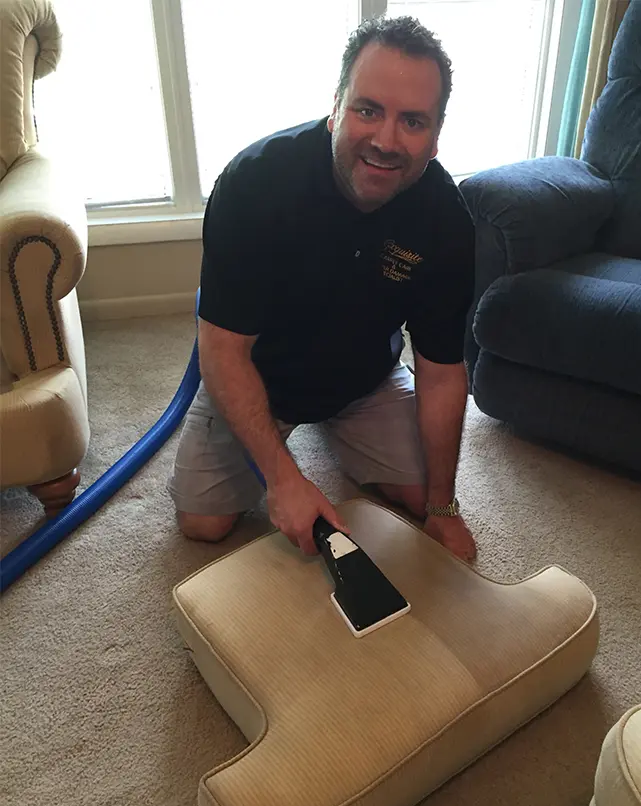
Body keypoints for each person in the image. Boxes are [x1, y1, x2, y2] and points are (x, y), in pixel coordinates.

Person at [167, 15, 478, 562]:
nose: (385, 140)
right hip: (262, 377)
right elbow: (222, 350)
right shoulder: (254, 184)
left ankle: (339, 431)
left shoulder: (445, 219)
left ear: (435, 137)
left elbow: (443, 372)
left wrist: (443, 507)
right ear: (336, 107)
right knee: (204, 522)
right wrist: (283, 480)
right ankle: (290, 442)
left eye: (412, 121)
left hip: (365, 381)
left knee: (418, 494)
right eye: (368, 110)